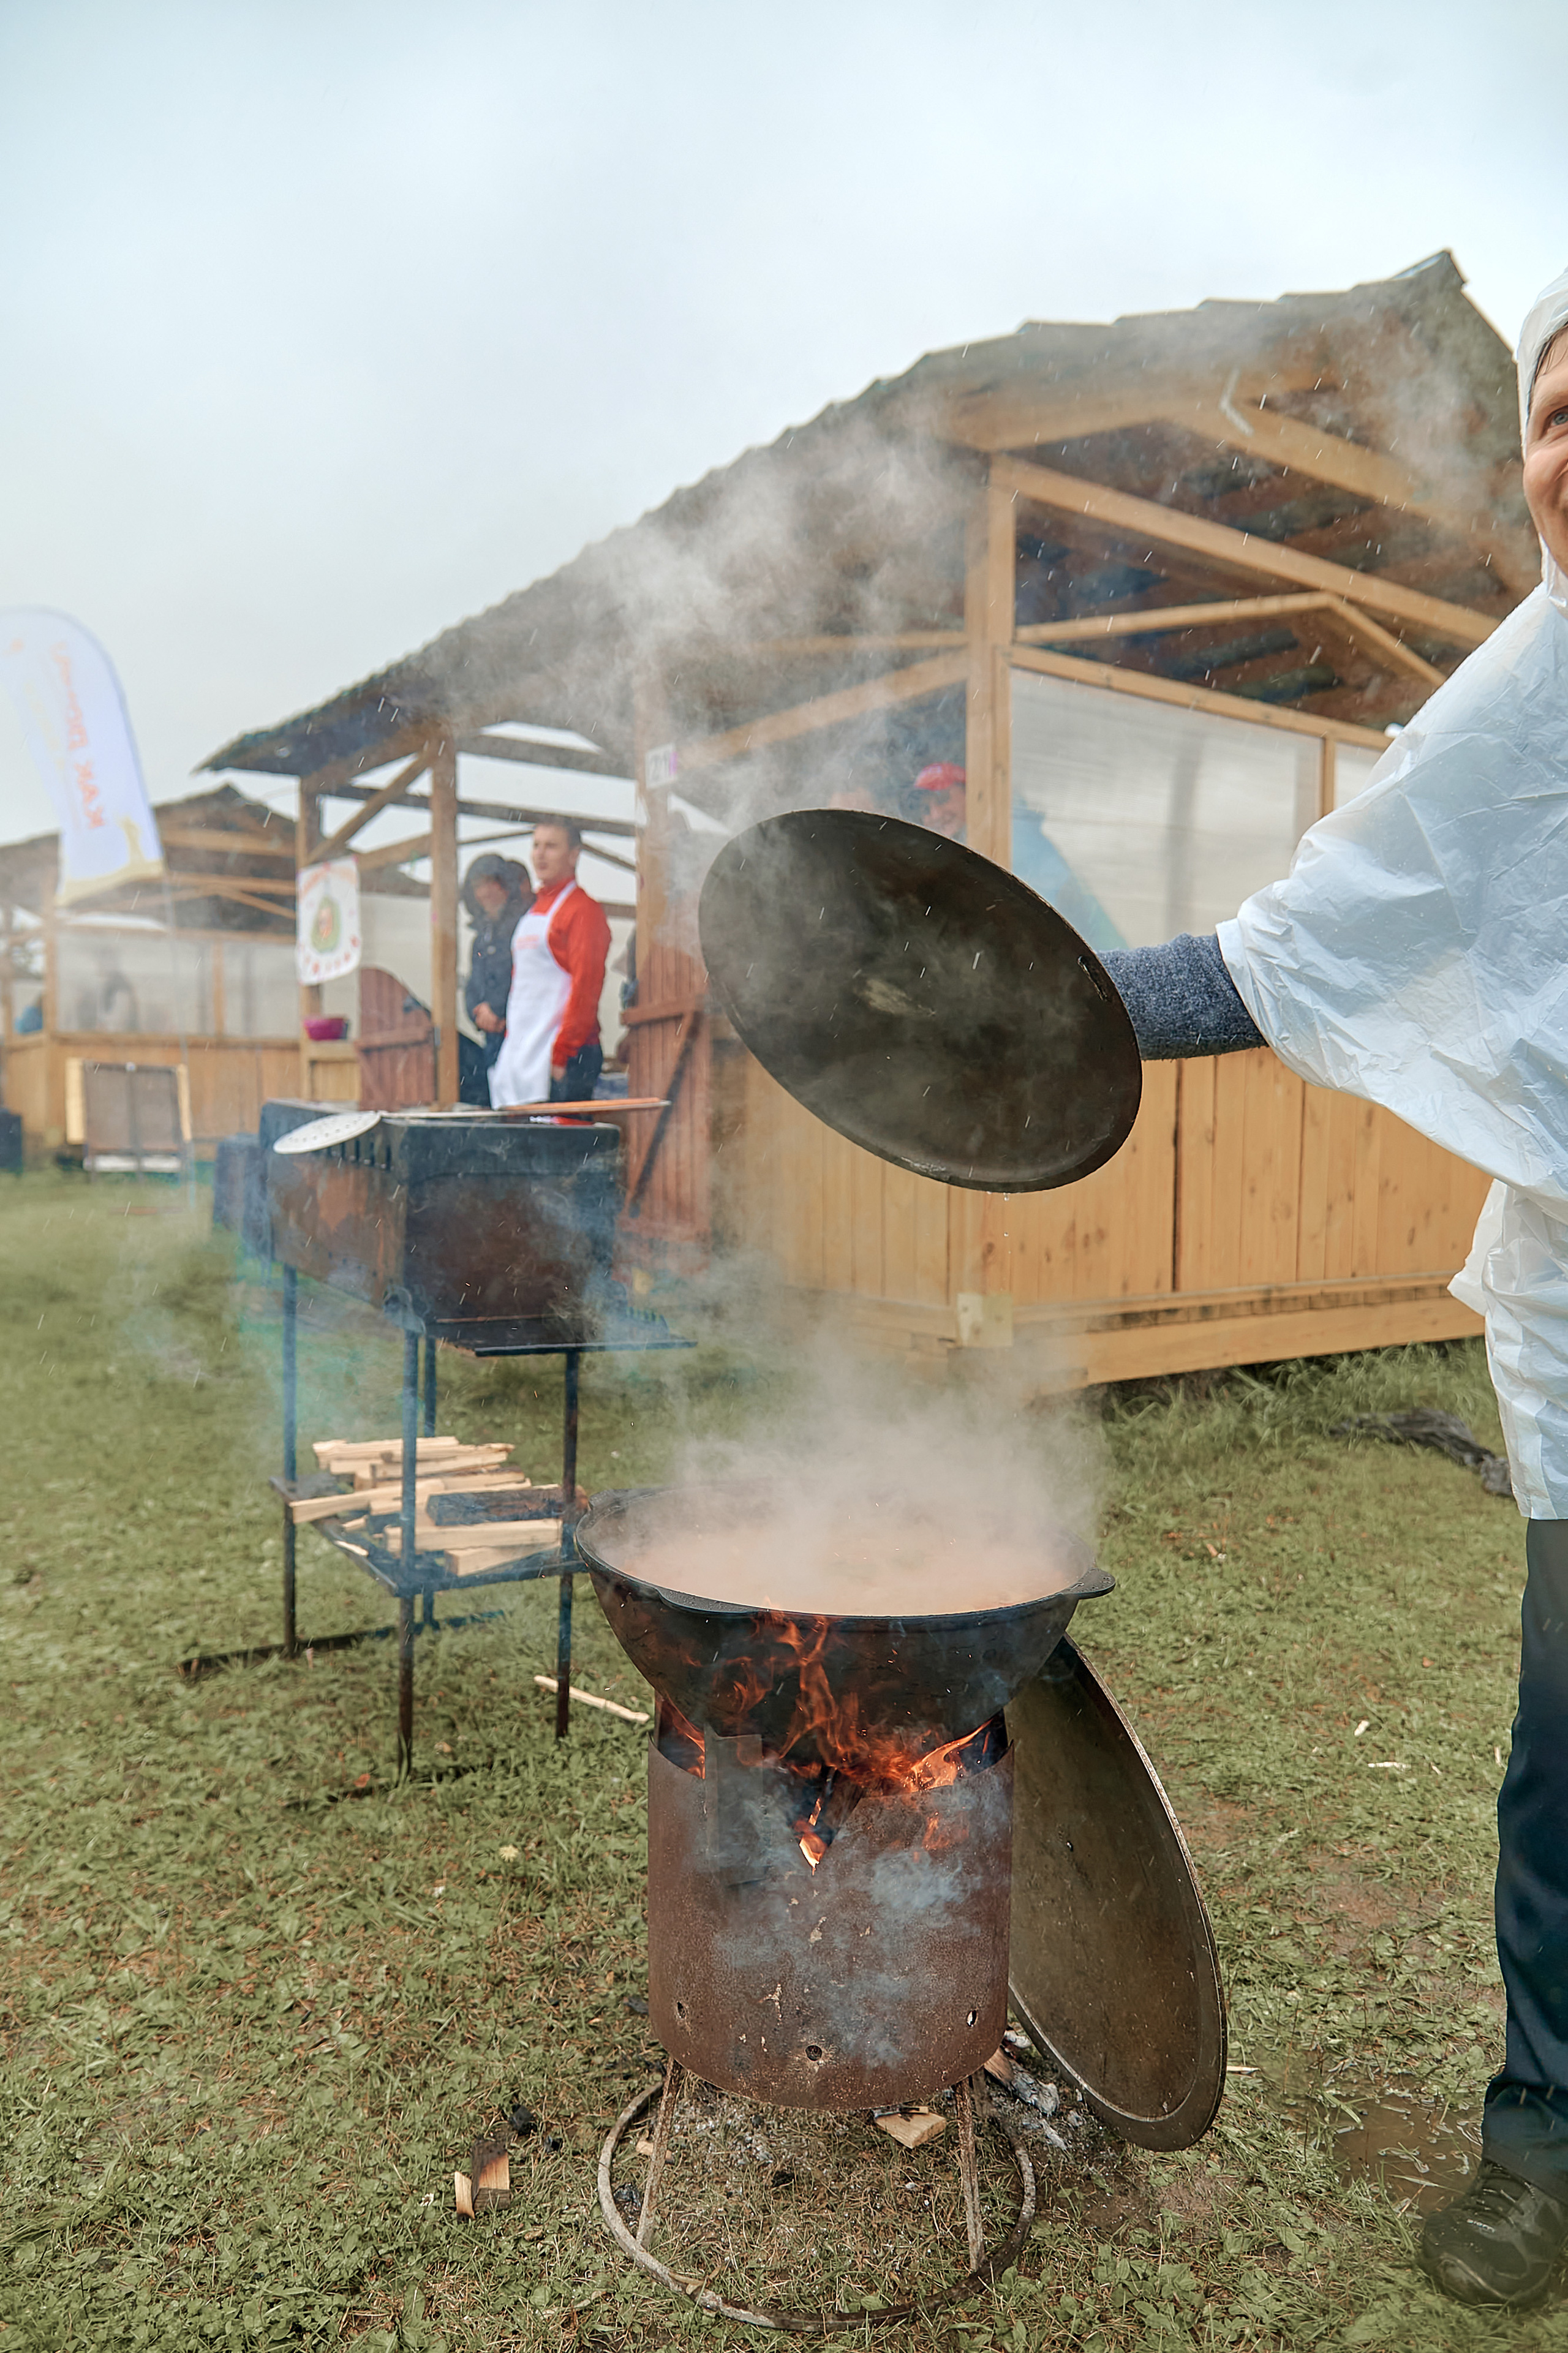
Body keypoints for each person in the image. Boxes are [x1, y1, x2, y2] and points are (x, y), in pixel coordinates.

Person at [1100, 266, 1568, 2310]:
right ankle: (1544, 2142)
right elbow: (1285, 957)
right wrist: (994, 998)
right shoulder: (1528, 703)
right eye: (1558, 406)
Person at [912, 760, 1127, 952]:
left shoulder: (1010, 835)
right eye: (926, 808)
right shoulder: (964, 847)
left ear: (972, 794)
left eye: (942, 799)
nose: (935, 814)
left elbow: (1050, 914)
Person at [488, 816, 611, 1106]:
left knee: (561, 1148)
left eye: (551, 846)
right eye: (536, 846)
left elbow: (587, 987)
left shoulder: (584, 911)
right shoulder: (533, 909)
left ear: (574, 855)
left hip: (564, 1057)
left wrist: (562, 1054)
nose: (541, 854)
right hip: (524, 1053)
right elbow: (522, 989)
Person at [459, 853, 532, 1106]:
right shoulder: (480, 939)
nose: (485, 892)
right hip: (493, 1040)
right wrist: (477, 1012)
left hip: (524, 1039)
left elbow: (526, 977)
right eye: (478, 886)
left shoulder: (525, 927)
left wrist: (498, 1009)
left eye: (492, 883)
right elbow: (472, 985)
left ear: (506, 885)